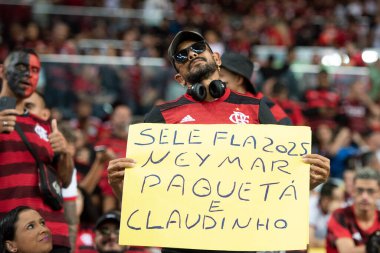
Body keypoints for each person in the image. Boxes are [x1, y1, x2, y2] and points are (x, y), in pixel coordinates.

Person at [107, 31, 331, 252]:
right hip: (181, 245)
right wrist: (119, 186)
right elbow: (142, 201)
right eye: (182, 56)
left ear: (217, 59)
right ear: (180, 78)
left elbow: (279, 183)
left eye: (197, 48)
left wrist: (309, 182)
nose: (191, 55)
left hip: (241, 241)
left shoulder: (254, 108)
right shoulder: (161, 116)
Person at [0, 48, 73, 252]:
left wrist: (64, 153)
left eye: (34, 70)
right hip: (10, 237)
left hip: (53, 233)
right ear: (2, 71)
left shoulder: (45, 125)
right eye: (21, 67)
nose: (28, 75)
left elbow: (64, 181)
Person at [219, 51, 291, 125]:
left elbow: (286, 129)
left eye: (220, 75)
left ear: (238, 80)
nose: (215, 79)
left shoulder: (263, 104)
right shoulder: (214, 99)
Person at [326, 167, 380, 253]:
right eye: (359, 190)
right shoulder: (340, 215)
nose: (364, 196)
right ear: (353, 191)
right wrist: (372, 247)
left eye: (370, 191)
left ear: (379, 193)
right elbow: (346, 251)